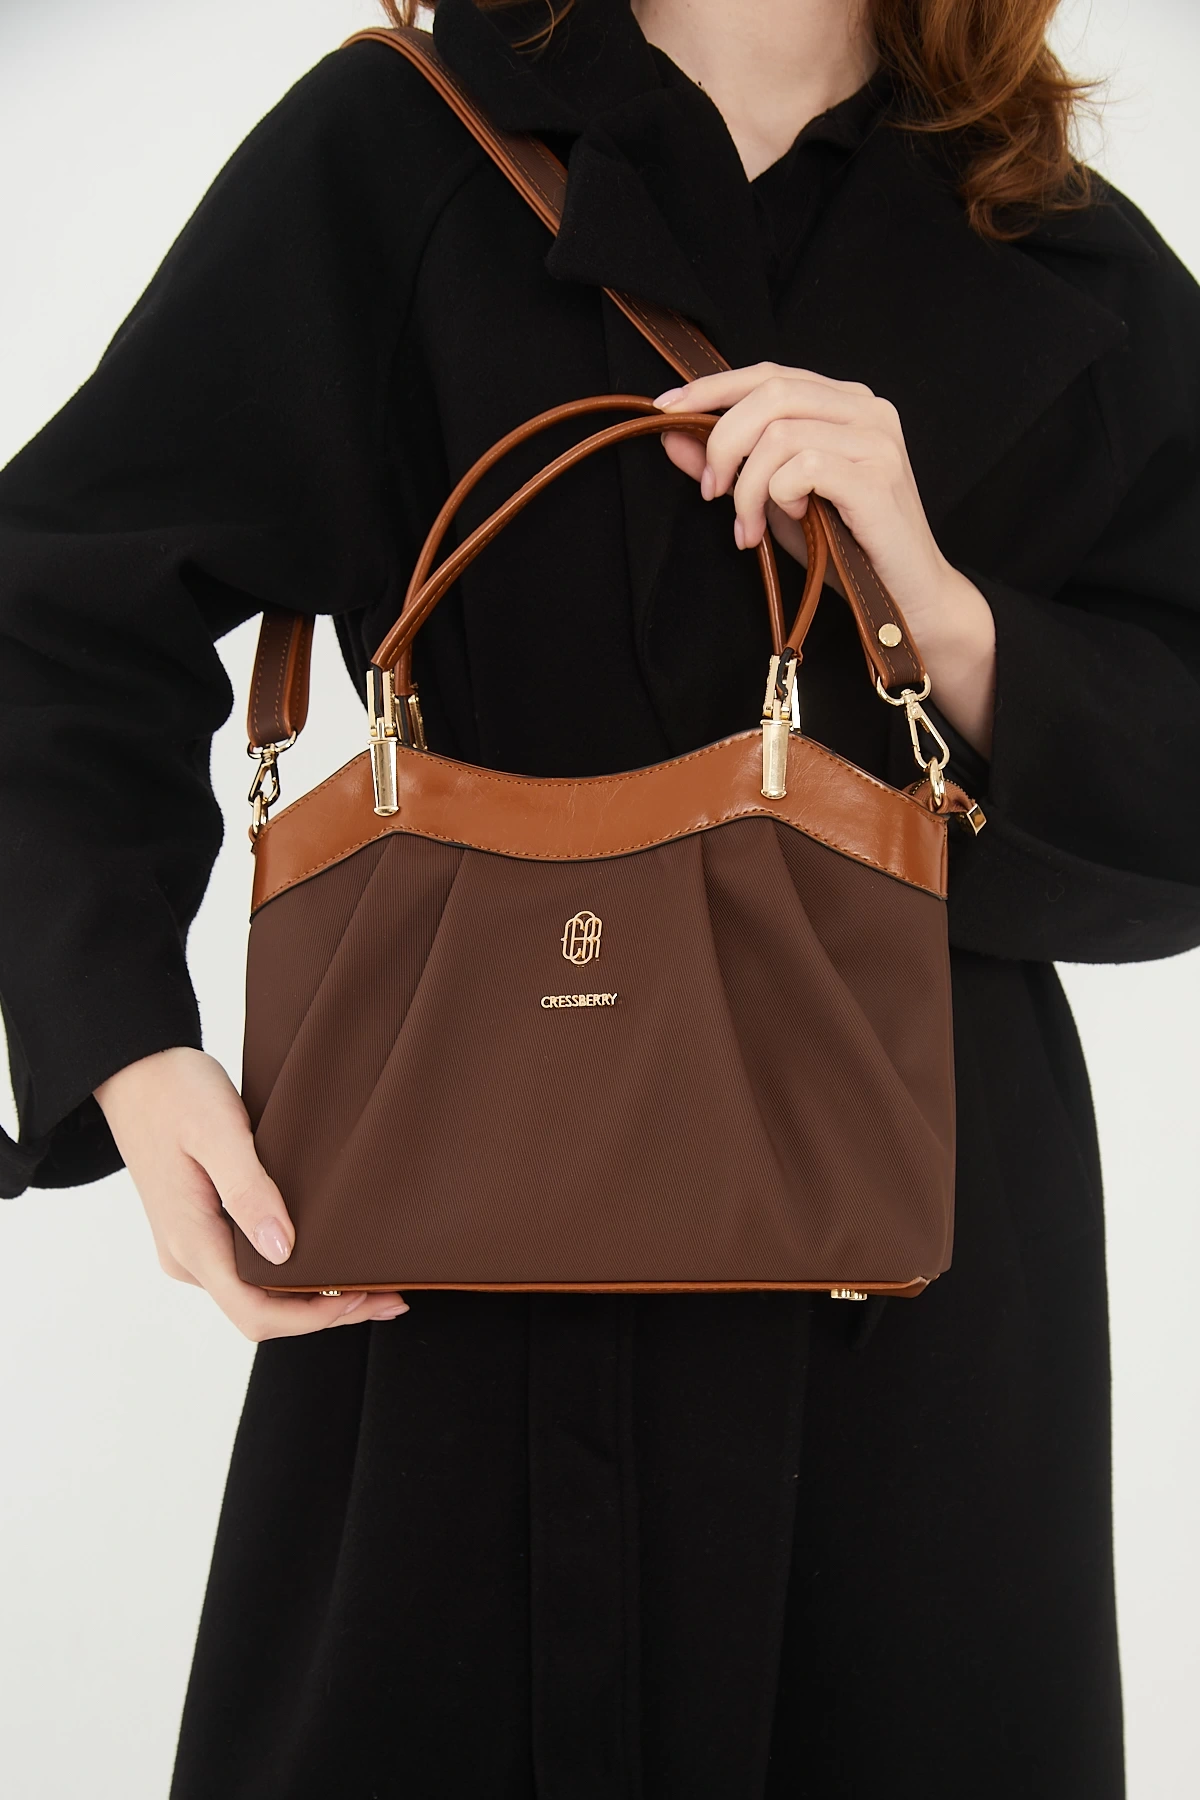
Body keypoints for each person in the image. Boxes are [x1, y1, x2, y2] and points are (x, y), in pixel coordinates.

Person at [1, 0, 1197, 1793]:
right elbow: (54, 600)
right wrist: (122, 1043)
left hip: (920, 1273)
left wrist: (943, 610)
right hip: (461, 1228)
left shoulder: (1055, 238)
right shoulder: (400, 145)